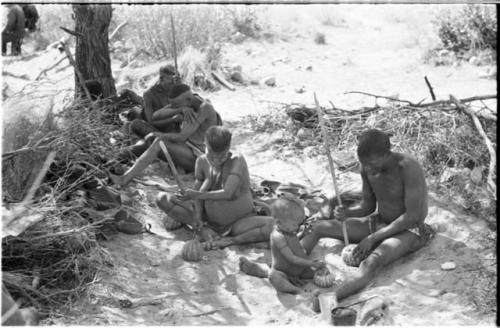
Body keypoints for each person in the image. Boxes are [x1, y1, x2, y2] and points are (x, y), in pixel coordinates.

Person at [300, 129, 434, 301]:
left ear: (387, 154)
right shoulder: (366, 167)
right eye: (364, 163)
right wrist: (347, 213)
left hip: (410, 230)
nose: (368, 168)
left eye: (372, 163)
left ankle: (331, 298)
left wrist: (373, 238)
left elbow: (413, 216)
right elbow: (368, 206)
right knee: (319, 228)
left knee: (371, 263)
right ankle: (293, 265)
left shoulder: (408, 167)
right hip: (380, 222)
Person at [156, 126, 274, 249]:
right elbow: (198, 193)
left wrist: (196, 194)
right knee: (162, 198)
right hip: (209, 221)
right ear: (205, 144)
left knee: (273, 226)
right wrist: (198, 217)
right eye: (211, 156)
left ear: (228, 149)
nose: (216, 161)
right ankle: (204, 231)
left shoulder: (237, 160)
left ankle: (231, 241)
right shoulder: (201, 162)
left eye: (221, 156)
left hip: (239, 223)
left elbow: (227, 193)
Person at [110, 84, 221, 184]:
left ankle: (125, 178)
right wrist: (180, 109)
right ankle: (114, 159)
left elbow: (181, 137)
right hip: (185, 149)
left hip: (199, 157)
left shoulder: (205, 108)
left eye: (176, 105)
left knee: (158, 142)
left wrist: (157, 135)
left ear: (188, 100)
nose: (173, 107)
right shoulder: (187, 102)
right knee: (147, 142)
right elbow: (156, 115)